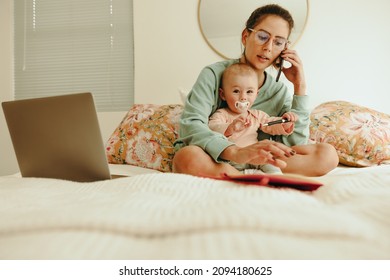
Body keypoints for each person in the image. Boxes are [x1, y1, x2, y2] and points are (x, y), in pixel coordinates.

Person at [173, 4, 338, 177]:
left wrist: (300, 87)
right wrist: (235, 152)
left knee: (327, 155)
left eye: (278, 42)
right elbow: (191, 125)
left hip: (264, 161)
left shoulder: (278, 91)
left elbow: (295, 143)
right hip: (221, 158)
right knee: (186, 157)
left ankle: (243, 176)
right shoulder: (213, 75)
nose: (268, 47)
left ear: (284, 49)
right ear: (246, 36)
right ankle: (242, 178)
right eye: (262, 37)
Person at [208, 62, 298, 174]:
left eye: (249, 92)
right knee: (223, 167)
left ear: (256, 94)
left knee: (270, 162)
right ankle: (240, 179)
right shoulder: (222, 114)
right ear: (223, 95)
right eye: (236, 91)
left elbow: (269, 124)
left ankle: (277, 179)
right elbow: (212, 128)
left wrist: (284, 123)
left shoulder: (256, 115)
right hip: (233, 159)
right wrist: (230, 128)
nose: (243, 97)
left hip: (256, 155)